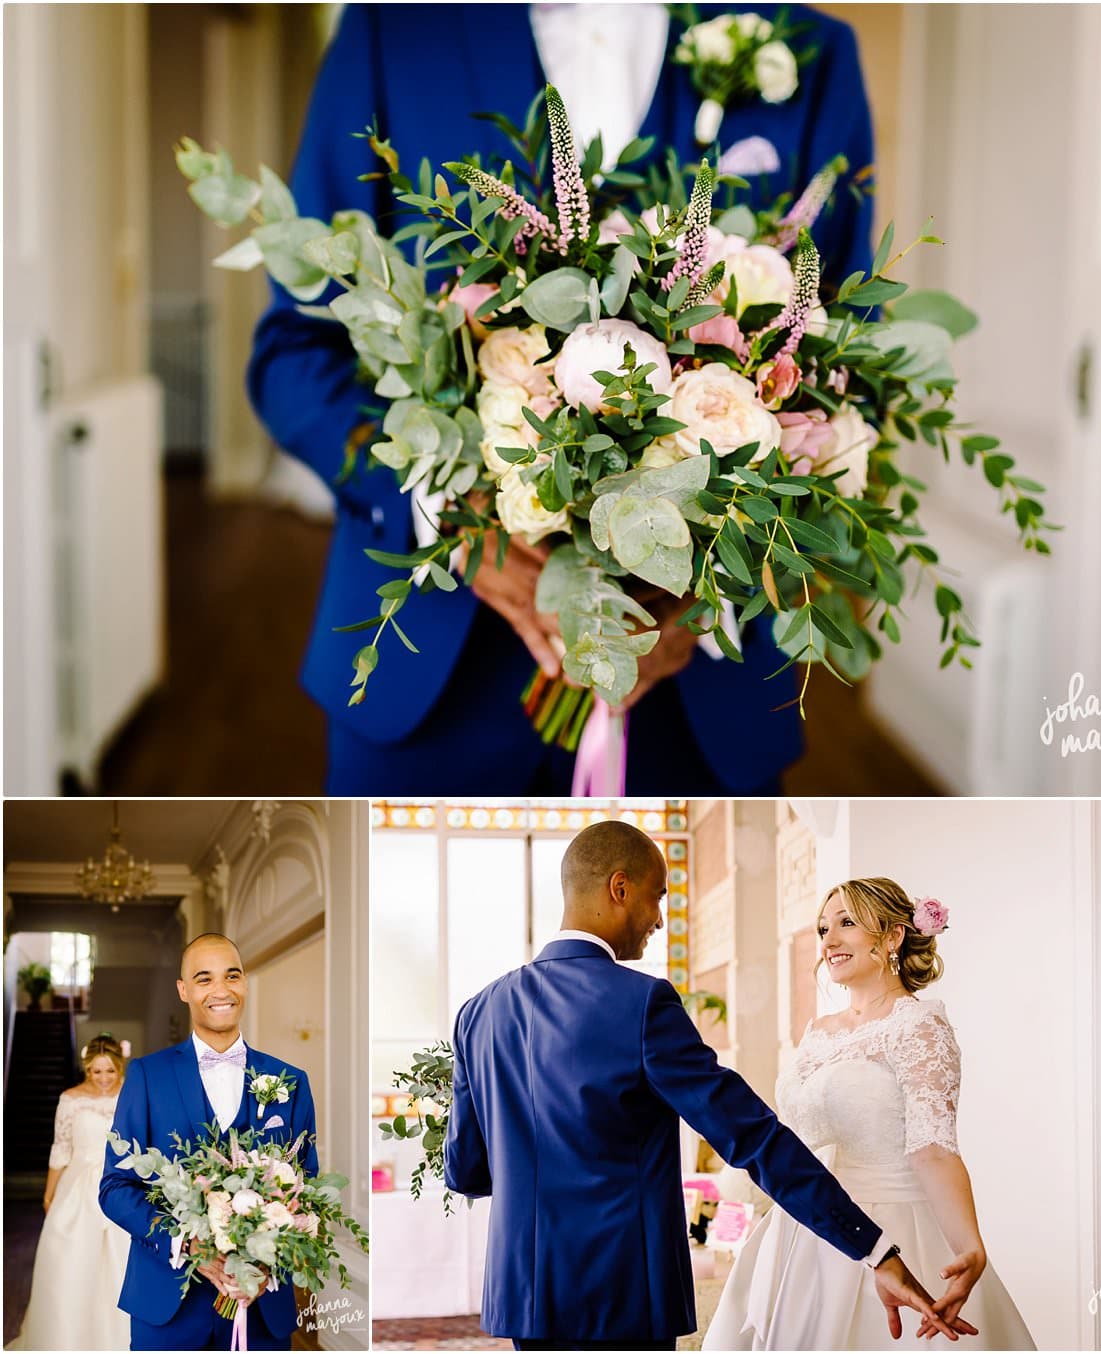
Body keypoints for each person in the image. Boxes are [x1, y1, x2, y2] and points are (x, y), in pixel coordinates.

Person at [247, 3, 876, 795]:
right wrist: (452, 520)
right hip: (429, 684)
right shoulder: (392, 28)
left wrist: (712, 600)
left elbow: (850, 369)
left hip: (700, 700)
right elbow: (295, 352)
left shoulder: (810, 51)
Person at [443, 822, 970, 1350]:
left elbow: (467, 1172)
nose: (658, 919)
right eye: (657, 897)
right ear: (619, 889)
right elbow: (751, 1137)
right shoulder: (641, 1003)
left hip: (524, 1295)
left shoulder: (477, 1014)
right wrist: (873, 1249)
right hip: (622, 1292)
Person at [703, 878, 1036, 1349]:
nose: (829, 941)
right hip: (809, 1222)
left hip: (893, 1228)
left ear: (894, 935)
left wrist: (970, 1247)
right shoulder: (817, 1031)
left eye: (847, 923)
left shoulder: (919, 1026)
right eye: (823, 928)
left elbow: (933, 1150)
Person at [99, 934, 318, 1351]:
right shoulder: (147, 1076)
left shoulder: (291, 1081)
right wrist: (186, 1242)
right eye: (204, 979)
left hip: (260, 1306)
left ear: (245, 983)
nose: (221, 990)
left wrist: (265, 1265)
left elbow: (306, 1187)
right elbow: (114, 1188)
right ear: (183, 990)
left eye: (231, 976)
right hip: (166, 1304)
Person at [9, 1035, 131, 1351]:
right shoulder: (71, 1099)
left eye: (110, 1072)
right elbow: (61, 1149)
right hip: (77, 1193)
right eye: (96, 1072)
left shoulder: (133, 1096)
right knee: (72, 1265)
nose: (103, 1079)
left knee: (121, 1265)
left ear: (120, 1068)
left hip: (120, 1186)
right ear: (87, 1070)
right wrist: (49, 1196)